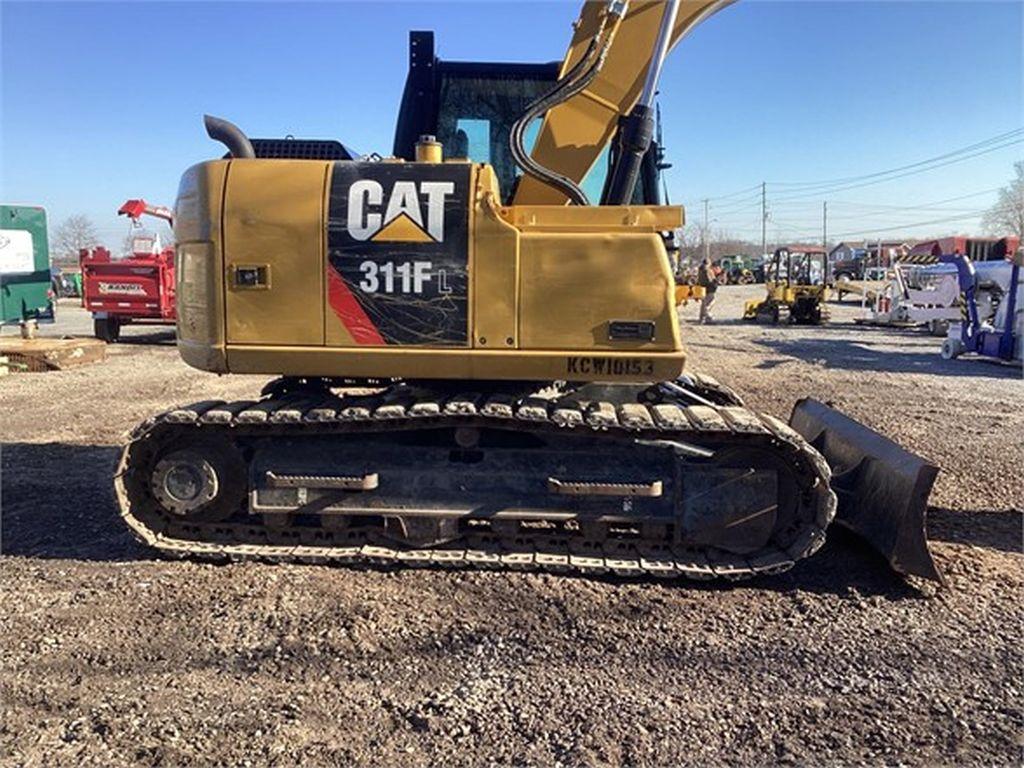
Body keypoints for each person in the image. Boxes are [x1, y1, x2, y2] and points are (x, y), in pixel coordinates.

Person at [697, 256, 717, 324]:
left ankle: (702, 318)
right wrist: (715, 282)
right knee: (710, 303)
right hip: (709, 289)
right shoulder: (707, 270)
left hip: (702, 289)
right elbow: (710, 280)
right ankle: (708, 318)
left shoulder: (700, 270)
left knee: (704, 304)